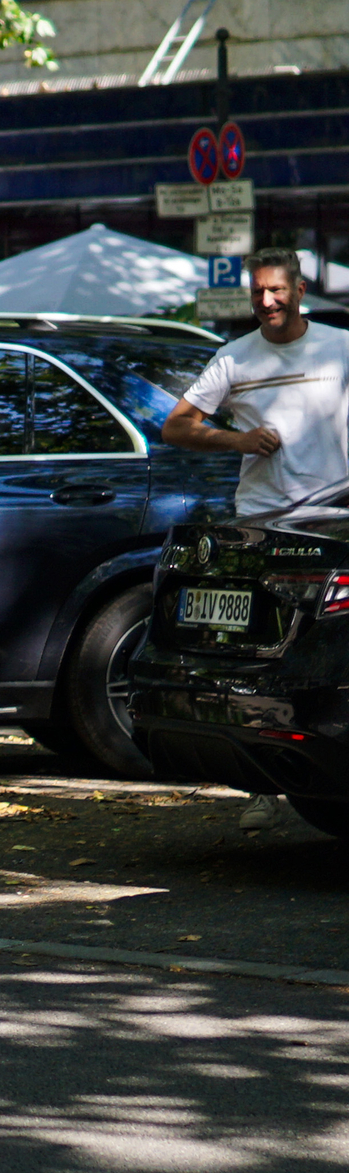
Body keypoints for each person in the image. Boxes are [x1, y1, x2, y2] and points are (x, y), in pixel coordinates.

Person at [165, 246, 349, 830]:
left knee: (323, 657)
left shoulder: (341, 349)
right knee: (255, 659)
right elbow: (177, 426)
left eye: (276, 291)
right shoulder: (234, 358)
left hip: (334, 521)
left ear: (298, 291)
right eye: (257, 293)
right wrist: (237, 442)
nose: (266, 302)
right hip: (262, 525)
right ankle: (262, 784)